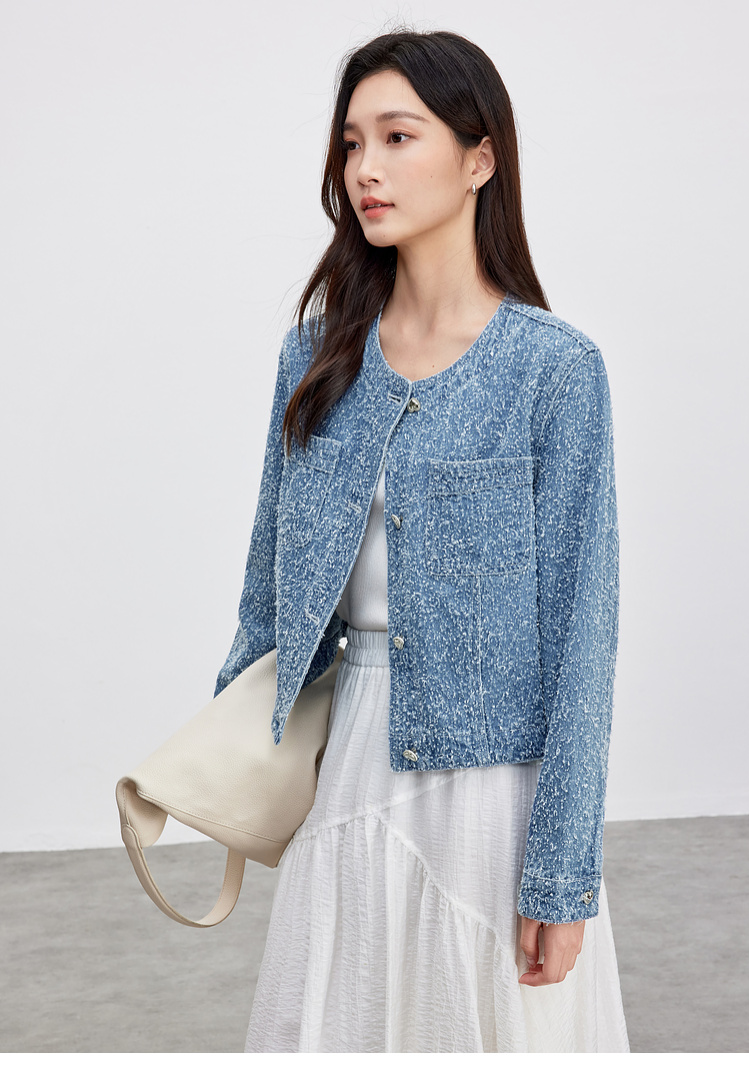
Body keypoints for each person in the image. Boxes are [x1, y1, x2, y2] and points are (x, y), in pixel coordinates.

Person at [214, 27, 630, 1053]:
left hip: (492, 800)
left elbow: (585, 641)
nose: (365, 168)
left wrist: (560, 872)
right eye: (352, 142)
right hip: (346, 771)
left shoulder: (553, 371)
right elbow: (267, 592)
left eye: (398, 137)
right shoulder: (314, 359)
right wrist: (228, 752)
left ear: (479, 157)